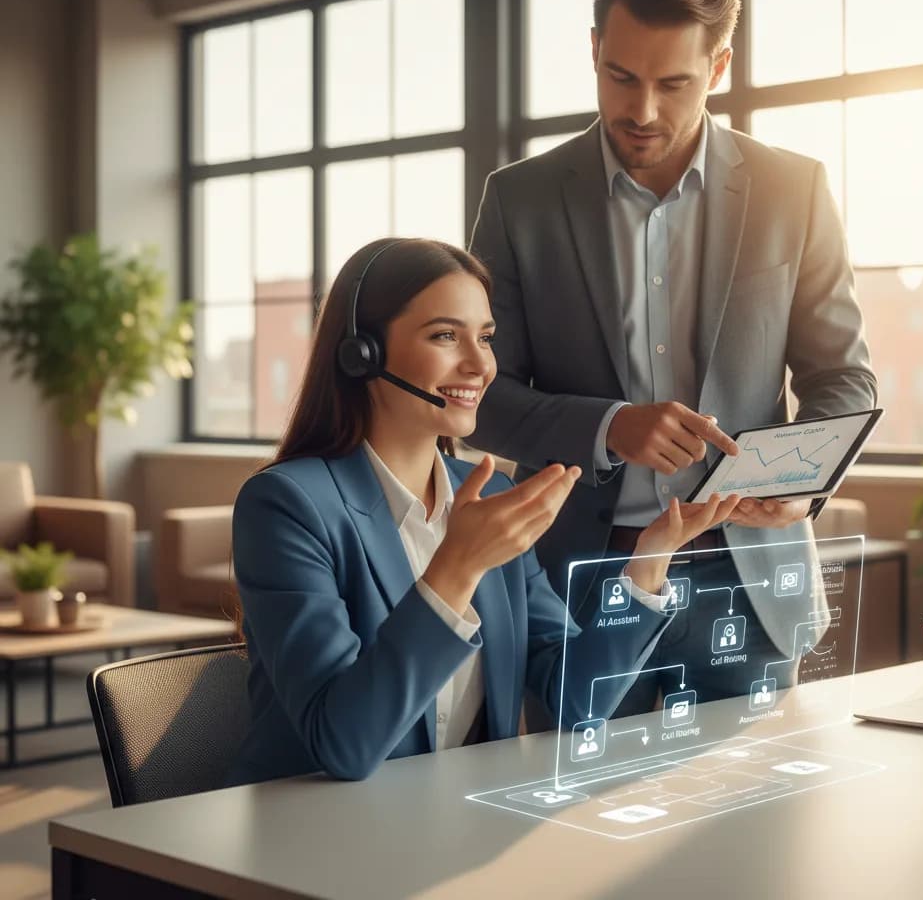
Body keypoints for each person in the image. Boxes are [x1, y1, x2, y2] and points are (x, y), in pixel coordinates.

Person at [468, 0, 877, 714]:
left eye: (673, 82)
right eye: (620, 76)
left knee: (752, 826)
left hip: (748, 576)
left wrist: (800, 484)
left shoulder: (795, 191)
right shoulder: (518, 202)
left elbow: (843, 378)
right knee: (576, 824)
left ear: (719, 67)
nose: (642, 110)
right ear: (593, 49)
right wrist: (610, 427)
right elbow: (483, 399)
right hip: (579, 577)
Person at [226, 237, 738, 785]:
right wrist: (458, 567)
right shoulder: (286, 506)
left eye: (486, 338)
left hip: (449, 822)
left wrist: (649, 562)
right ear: (363, 352)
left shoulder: (489, 497)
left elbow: (576, 698)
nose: (480, 365)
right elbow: (343, 744)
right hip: (313, 835)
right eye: (446, 335)